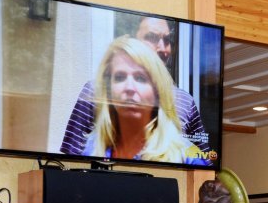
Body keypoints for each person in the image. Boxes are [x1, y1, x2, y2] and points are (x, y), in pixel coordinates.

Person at [61, 16, 210, 155]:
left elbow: (206, 159)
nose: (162, 48)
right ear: (134, 41)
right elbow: (71, 154)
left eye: (167, 40)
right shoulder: (94, 91)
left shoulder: (185, 101)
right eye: (152, 37)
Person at [83, 36, 206, 165]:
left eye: (140, 78)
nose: (129, 87)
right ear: (108, 91)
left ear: (157, 91)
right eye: (119, 77)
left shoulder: (189, 158)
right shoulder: (91, 150)